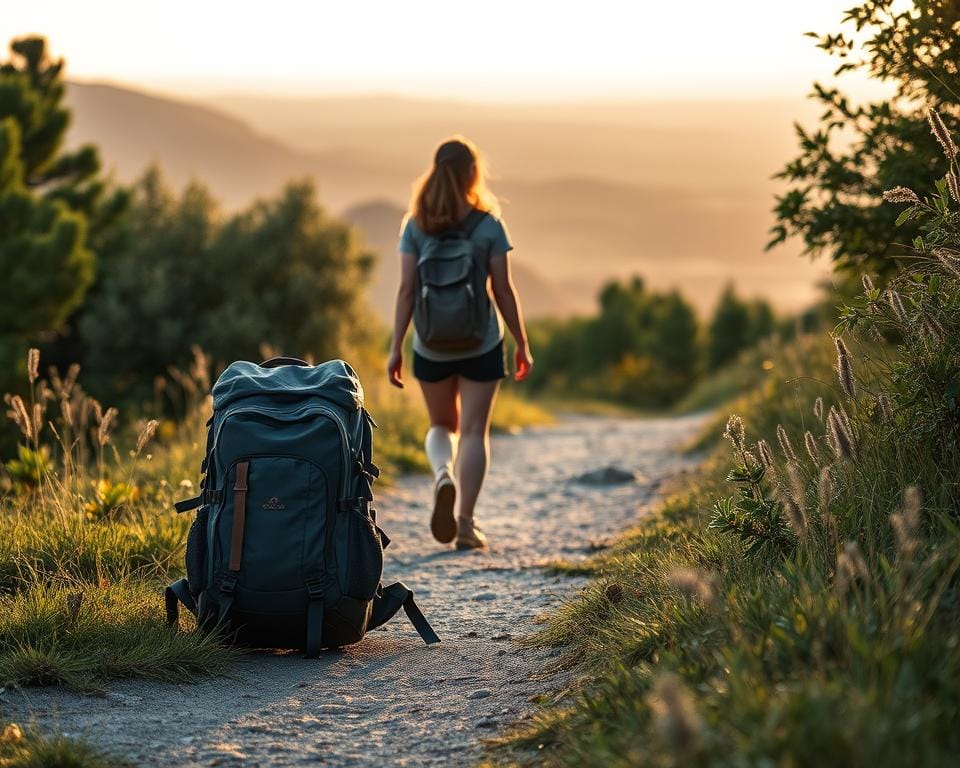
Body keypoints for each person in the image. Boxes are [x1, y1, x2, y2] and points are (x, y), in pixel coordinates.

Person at [387, 136, 533, 550]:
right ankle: (466, 524)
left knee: (440, 425)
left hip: (431, 345)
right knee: (472, 432)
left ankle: (441, 475)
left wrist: (397, 347)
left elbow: (406, 291)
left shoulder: (415, 225)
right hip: (481, 343)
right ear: (474, 173)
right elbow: (503, 290)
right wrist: (521, 342)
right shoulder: (489, 224)